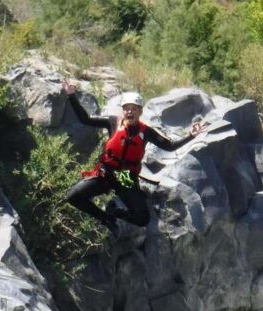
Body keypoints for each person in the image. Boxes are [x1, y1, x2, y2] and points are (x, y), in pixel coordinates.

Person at [62, 82, 204, 234]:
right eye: (127, 108)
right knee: (72, 196)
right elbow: (85, 119)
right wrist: (71, 96)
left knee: (143, 218)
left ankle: (116, 212)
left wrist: (191, 135)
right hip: (106, 172)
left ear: (140, 111)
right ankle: (106, 218)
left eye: (134, 109)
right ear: (123, 110)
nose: (130, 111)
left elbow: (169, 146)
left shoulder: (146, 131)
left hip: (125, 176)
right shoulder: (112, 122)